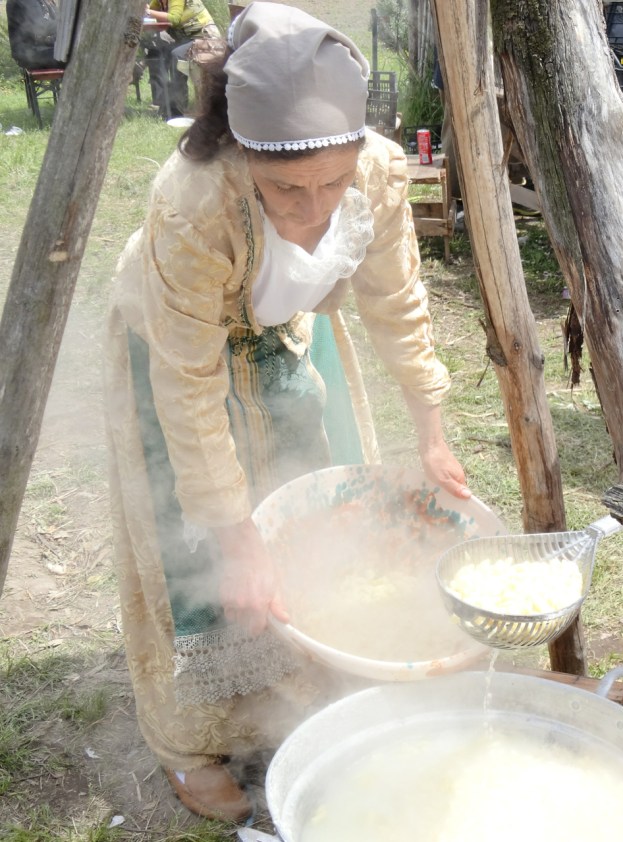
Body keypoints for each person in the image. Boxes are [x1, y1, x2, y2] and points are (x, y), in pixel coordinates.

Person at [104, 2, 470, 823]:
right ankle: (191, 739)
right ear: (242, 155)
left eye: (332, 184)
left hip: (285, 332)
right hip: (176, 352)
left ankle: (292, 684)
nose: (313, 212)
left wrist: (433, 432)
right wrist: (233, 538)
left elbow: (397, 301)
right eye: (287, 192)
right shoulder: (194, 203)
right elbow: (190, 384)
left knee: (312, 502)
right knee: (195, 550)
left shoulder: (375, 171)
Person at [142, 0, 220, 119]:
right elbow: (149, 13)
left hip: (206, 39)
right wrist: (146, 11)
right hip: (187, 40)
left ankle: (179, 109)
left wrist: (148, 11)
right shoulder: (159, 1)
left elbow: (174, 19)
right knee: (157, 50)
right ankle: (163, 104)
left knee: (177, 55)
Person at [6, 0, 65, 71]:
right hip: (31, 54)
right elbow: (40, 27)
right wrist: (65, 24)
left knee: (72, 52)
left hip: (39, 49)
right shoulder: (27, 2)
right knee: (74, 56)